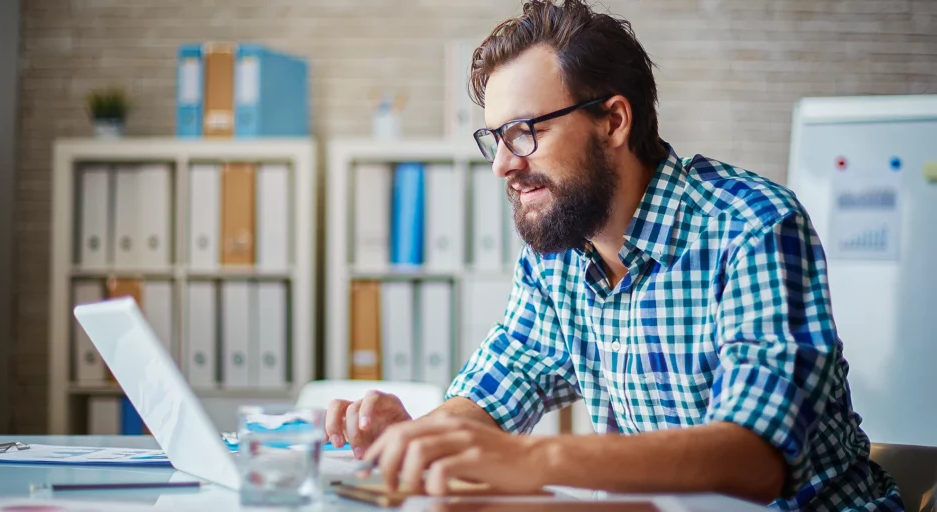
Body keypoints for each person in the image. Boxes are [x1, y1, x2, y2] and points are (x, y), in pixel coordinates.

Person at [326, 1, 902, 509]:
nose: (503, 163)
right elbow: (498, 387)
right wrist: (420, 440)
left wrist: (528, 462)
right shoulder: (559, 251)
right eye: (494, 138)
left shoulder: (753, 226)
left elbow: (754, 460)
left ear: (614, 120)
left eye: (524, 131)